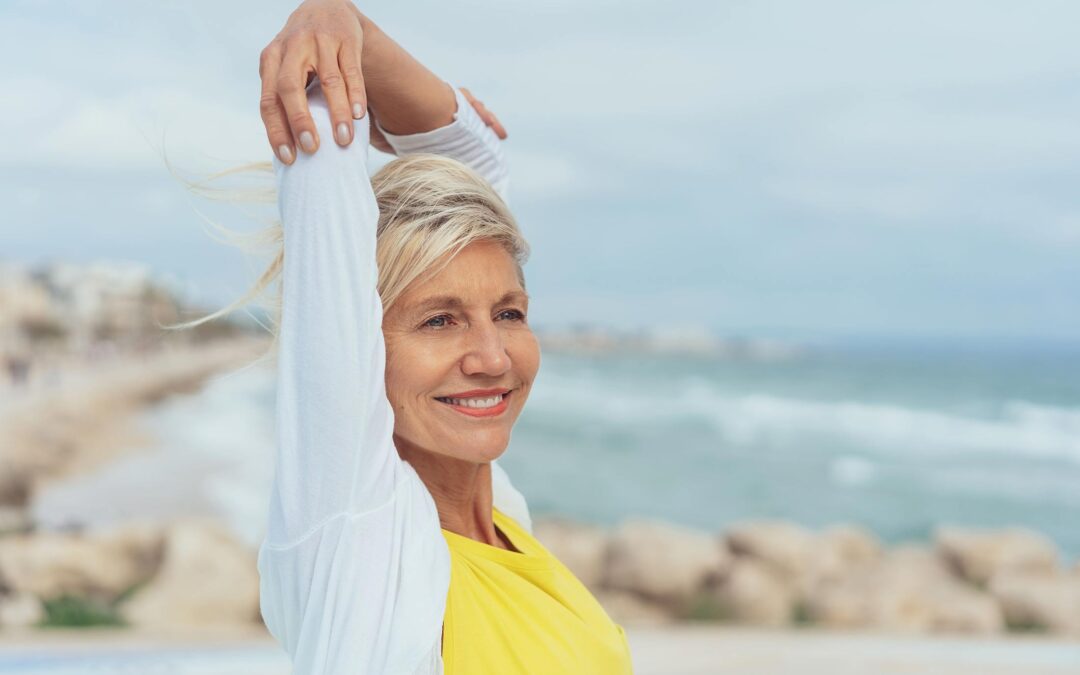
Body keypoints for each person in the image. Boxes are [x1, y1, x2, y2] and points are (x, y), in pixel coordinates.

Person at [224, 2, 635, 672]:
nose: (493, 357)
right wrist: (333, 19)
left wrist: (358, 37)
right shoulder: (363, 547)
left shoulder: (504, 514)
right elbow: (322, 141)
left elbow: (475, 156)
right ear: (363, 348)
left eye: (508, 312)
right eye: (439, 320)